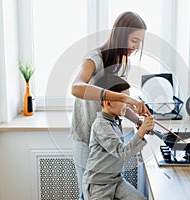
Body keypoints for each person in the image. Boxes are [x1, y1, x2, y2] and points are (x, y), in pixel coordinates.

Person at [70, 11, 150, 199]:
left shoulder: (124, 63)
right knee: (88, 194)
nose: (137, 47)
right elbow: (76, 88)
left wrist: (137, 118)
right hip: (85, 138)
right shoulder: (95, 58)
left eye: (140, 42)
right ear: (121, 35)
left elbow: (119, 102)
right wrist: (125, 99)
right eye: (134, 40)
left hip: (108, 138)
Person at [82, 74, 154, 200]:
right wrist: (141, 131)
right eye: (123, 100)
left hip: (116, 181)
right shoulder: (101, 125)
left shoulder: (114, 120)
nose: (127, 105)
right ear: (108, 102)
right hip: (98, 185)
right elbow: (123, 153)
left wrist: (140, 125)